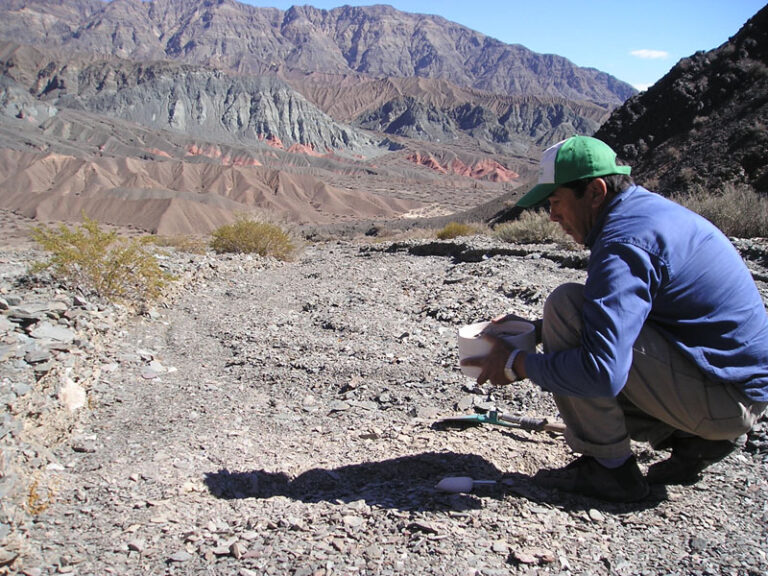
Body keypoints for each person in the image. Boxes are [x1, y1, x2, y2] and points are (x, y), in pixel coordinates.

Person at [462, 135, 768, 502]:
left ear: (595, 191)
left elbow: (601, 373)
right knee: (572, 320)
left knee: (565, 308)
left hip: (725, 400)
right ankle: (692, 439)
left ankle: (610, 470)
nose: (552, 216)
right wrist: (535, 331)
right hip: (731, 388)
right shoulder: (643, 213)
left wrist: (515, 364)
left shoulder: (624, 243)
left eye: (556, 202)